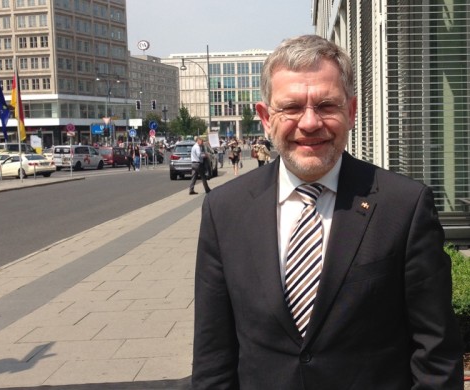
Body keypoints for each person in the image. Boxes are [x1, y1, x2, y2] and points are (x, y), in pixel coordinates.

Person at [192, 35, 463, 389]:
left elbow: (437, 354)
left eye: (326, 105)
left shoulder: (405, 207)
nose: (309, 123)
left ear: (350, 112)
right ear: (265, 117)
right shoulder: (223, 210)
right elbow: (213, 357)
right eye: (290, 107)